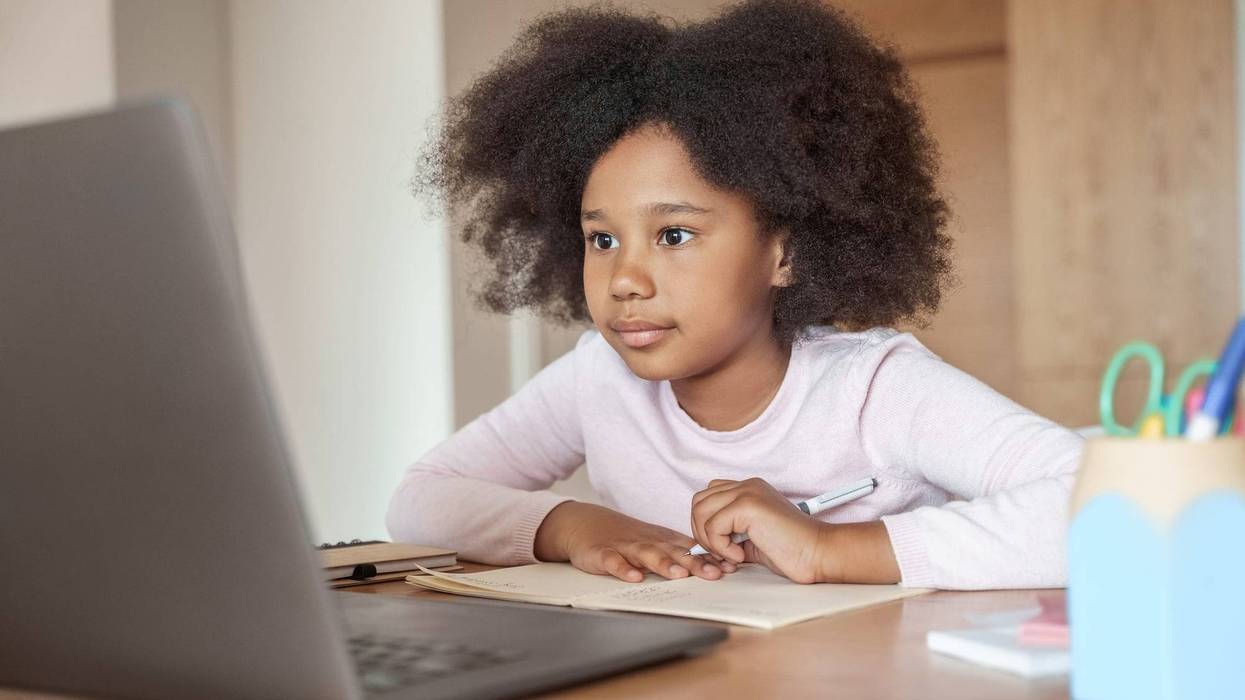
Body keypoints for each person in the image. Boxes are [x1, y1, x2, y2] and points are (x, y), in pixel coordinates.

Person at [387, 0, 1083, 590]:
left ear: (784, 252)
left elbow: (1104, 504)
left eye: (674, 234)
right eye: (601, 241)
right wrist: (570, 526)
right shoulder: (595, 380)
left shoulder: (875, 389)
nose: (624, 279)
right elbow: (419, 499)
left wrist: (832, 549)